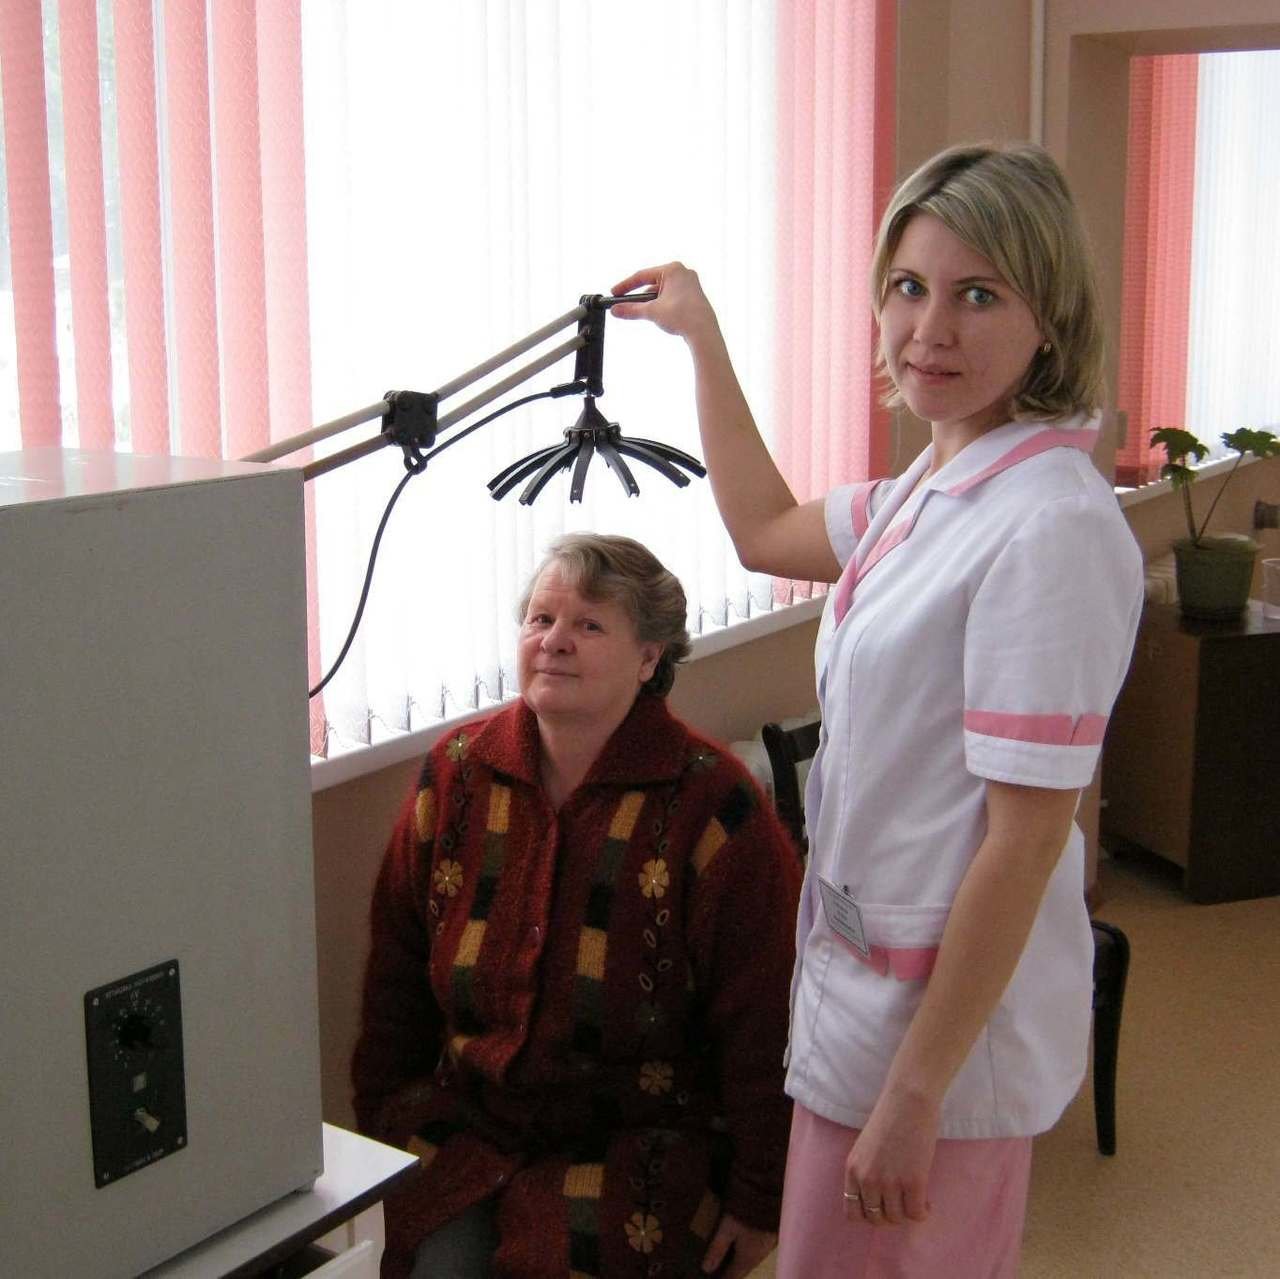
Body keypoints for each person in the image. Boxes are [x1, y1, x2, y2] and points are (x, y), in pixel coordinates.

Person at [611, 142, 1144, 1277]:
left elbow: (1025, 840)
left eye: (977, 295)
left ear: (1048, 317)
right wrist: (701, 334)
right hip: (866, 998)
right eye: (908, 288)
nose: (928, 331)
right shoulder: (934, 483)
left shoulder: (1049, 525)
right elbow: (764, 530)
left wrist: (914, 1094)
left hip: (939, 1047)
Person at [352, 532, 801, 1279]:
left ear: (650, 657)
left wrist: (762, 1197)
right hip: (468, 1127)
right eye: (541, 619)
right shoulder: (457, 774)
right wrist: (383, 1129)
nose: (554, 641)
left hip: (644, 1141)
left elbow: (764, 1019)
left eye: (589, 625)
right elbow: (395, 981)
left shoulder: (714, 808)